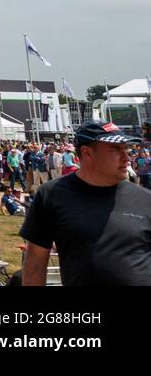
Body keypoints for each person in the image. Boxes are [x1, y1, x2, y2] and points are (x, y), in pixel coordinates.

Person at [21, 122, 151, 286]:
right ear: (87, 153)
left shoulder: (145, 199)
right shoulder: (52, 195)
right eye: (116, 149)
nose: (126, 156)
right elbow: (35, 266)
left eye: (126, 149)